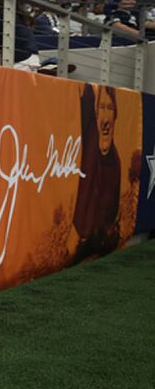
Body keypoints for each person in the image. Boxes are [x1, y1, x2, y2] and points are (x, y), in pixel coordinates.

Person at [71, 83, 122, 262]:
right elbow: (87, 105)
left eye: (110, 108)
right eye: (101, 107)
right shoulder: (90, 143)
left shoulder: (114, 163)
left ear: (116, 115)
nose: (106, 118)